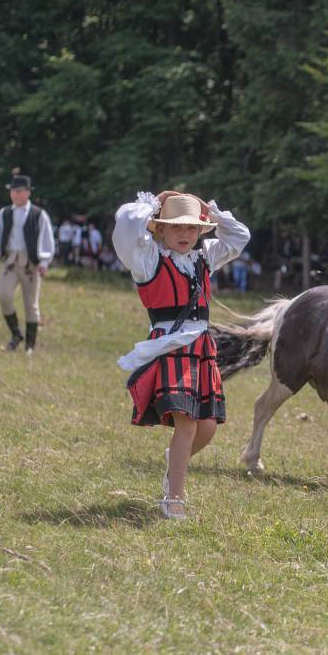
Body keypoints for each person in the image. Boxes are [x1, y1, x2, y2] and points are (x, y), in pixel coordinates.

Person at [112, 190, 250, 519]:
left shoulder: (205, 258)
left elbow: (240, 235)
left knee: (207, 428)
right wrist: (153, 202)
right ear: (159, 230)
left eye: (191, 228)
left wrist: (211, 211)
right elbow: (125, 227)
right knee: (186, 424)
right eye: (175, 227)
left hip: (201, 347)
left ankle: (174, 460)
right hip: (170, 347)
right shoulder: (147, 261)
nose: (185, 234)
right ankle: (174, 499)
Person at [0, 171, 55, 354]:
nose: (15, 194)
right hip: (10, 261)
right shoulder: (5, 213)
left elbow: (46, 238)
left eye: (19, 191)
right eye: (13, 191)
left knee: (31, 304)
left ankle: (30, 345)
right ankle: (16, 334)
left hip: (30, 263)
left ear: (28, 193)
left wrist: (44, 262)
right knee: (4, 296)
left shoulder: (38, 214)